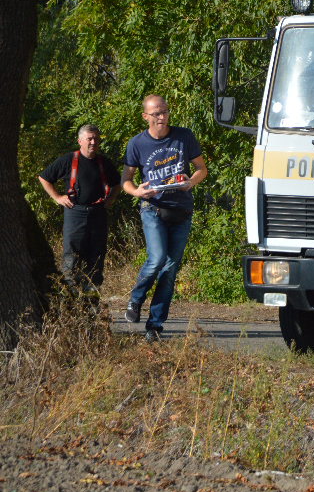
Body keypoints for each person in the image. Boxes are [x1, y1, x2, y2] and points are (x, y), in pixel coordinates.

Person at [121, 95, 207, 341]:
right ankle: (136, 299)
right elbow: (126, 181)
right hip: (153, 208)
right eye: (156, 113)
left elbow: (202, 169)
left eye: (165, 112)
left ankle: (154, 327)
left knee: (169, 272)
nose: (162, 117)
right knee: (157, 258)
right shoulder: (136, 144)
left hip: (181, 211)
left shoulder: (184, 136)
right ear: (145, 116)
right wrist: (137, 191)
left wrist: (190, 182)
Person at [37, 124, 120, 295]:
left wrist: (111, 197)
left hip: (98, 213)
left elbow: (117, 183)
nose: (93, 142)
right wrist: (58, 198)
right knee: (71, 255)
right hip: (75, 212)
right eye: (89, 138)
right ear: (79, 141)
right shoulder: (68, 160)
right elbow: (44, 177)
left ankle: (92, 296)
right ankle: (69, 296)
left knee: (97, 255)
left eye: (96, 138)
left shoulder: (104, 162)